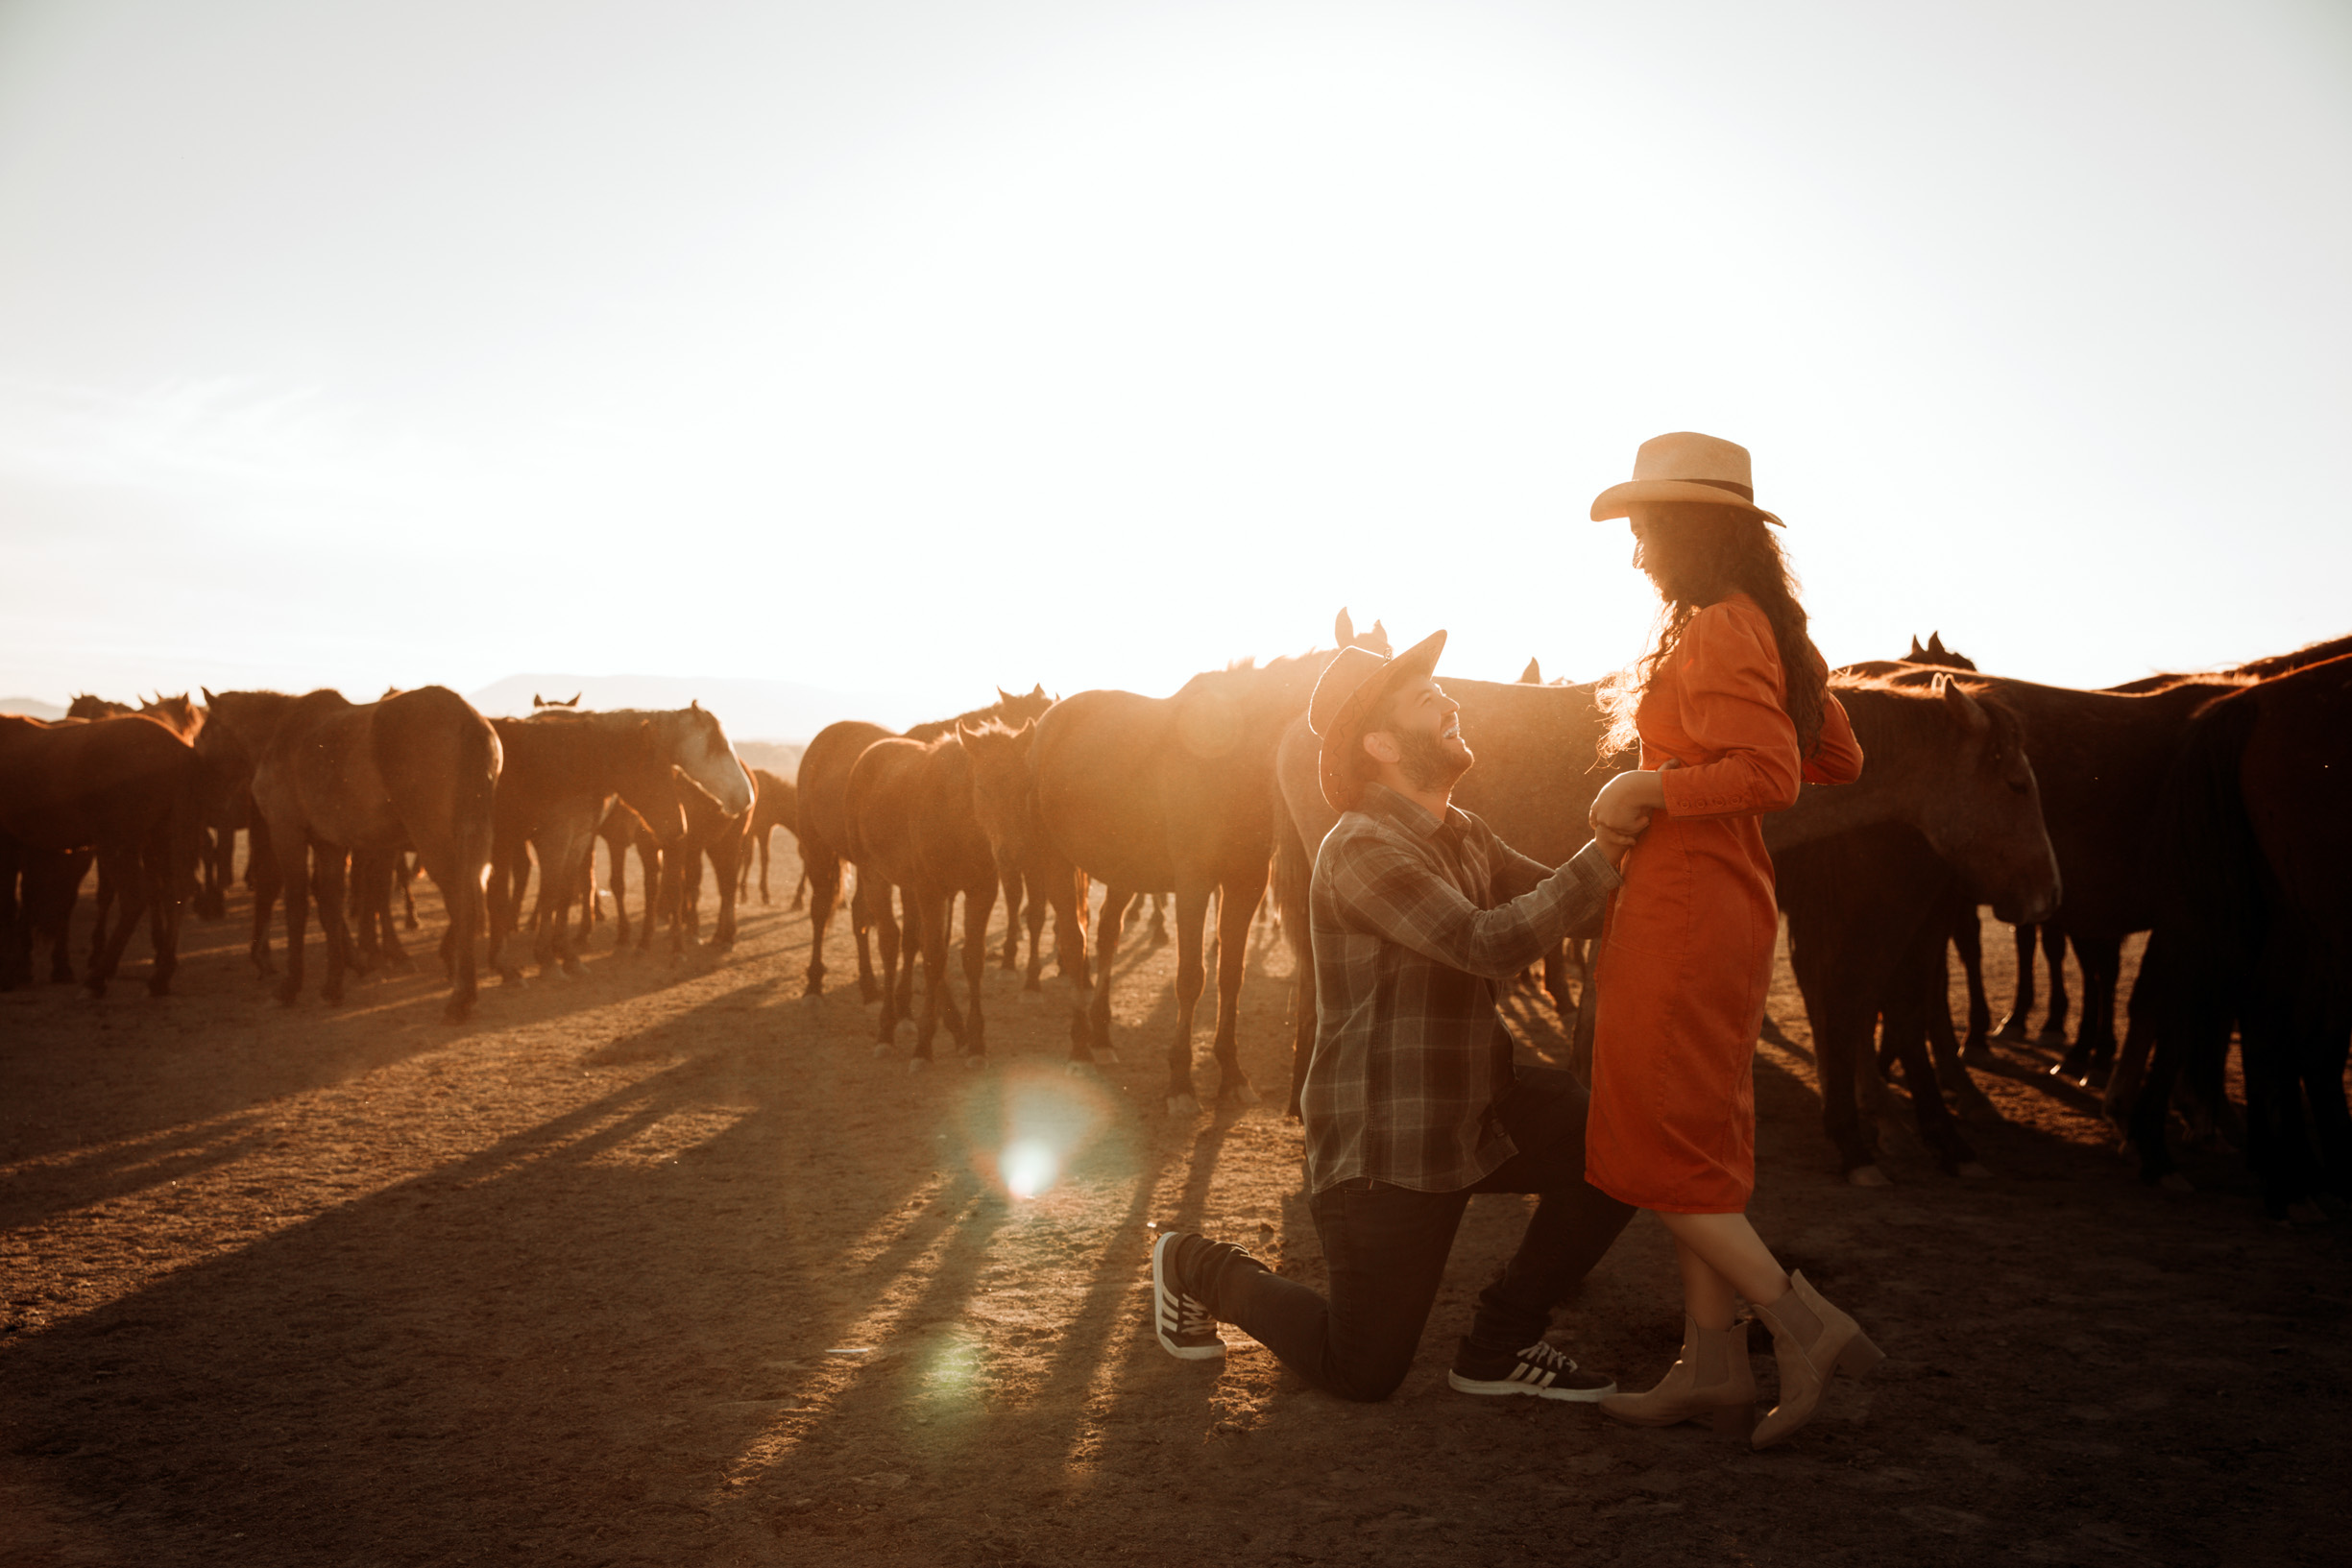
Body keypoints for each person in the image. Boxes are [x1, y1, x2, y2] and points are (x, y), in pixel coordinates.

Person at [1148, 629, 1645, 1402]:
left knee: (1621, 1151)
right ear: (1379, 742)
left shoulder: (1463, 831)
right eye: (1426, 697)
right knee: (1362, 1370)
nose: (1450, 699)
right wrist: (1605, 841)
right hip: (1387, 1147)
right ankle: (1192, 1262)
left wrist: (1656, 847)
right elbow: (1488, 943)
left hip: (1479, 1108)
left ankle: (1497, 1345)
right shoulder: (1359, 848)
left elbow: (1567, 905)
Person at [1579, 431, 1877, 1448]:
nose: (1637, 555)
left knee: (1652, 1138)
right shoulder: (1758, 626)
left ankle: (1804, 1324)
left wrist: (1644, 783)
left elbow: (1774, 777)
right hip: (1722, 904)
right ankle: (1711, 1368)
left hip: (1683, 911)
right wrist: (1791, 674)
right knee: (1695, 1146)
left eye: (1648, 531)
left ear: (1690, 531)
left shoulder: (1715, 628)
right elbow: (1835, 752)